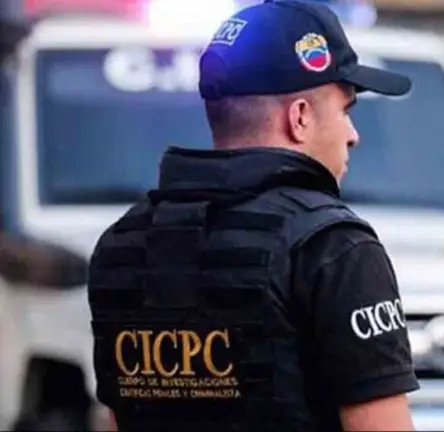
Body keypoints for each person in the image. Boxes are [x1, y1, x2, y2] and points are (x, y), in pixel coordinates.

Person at [86, 0, 420, 431]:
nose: (352, 135)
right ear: (300, 118)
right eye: (345, 110)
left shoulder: (122, 245)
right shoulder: (333, 247)